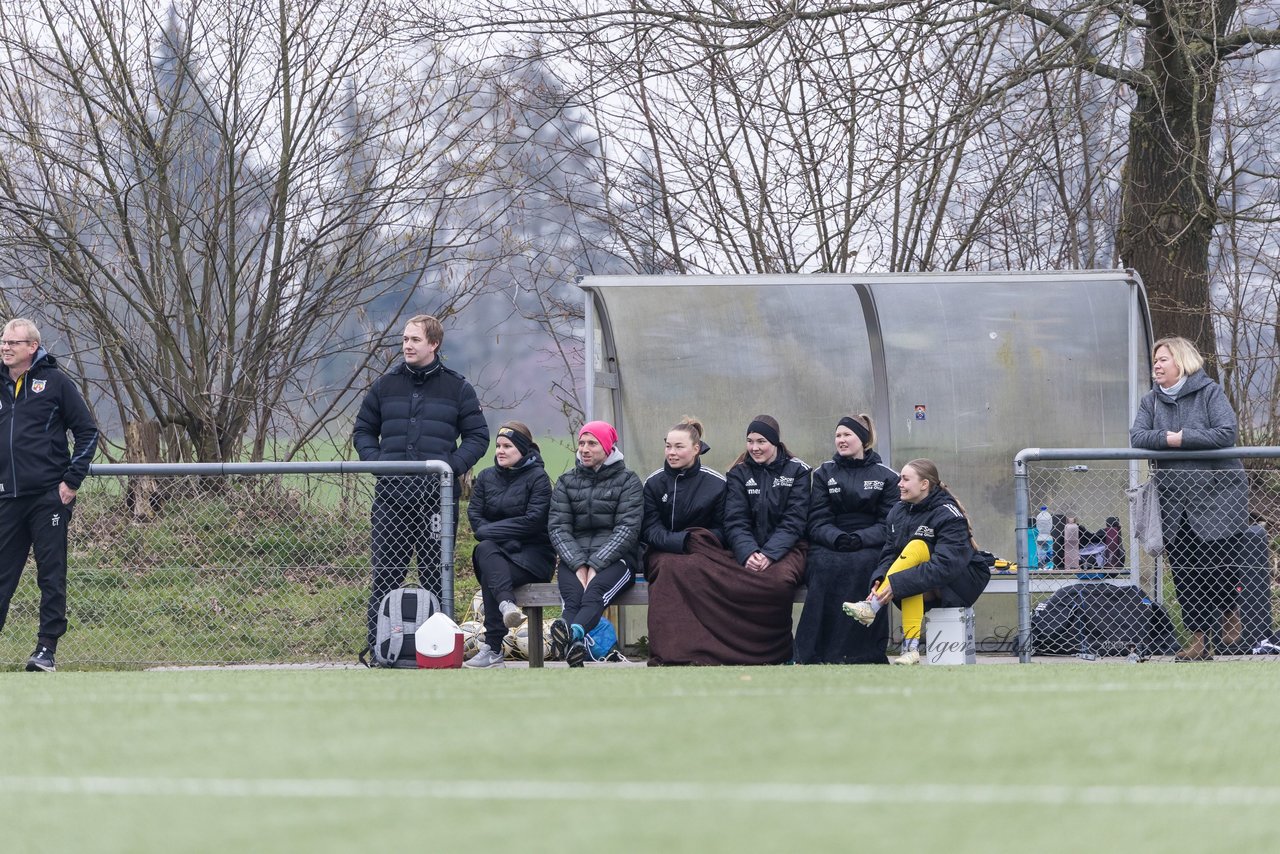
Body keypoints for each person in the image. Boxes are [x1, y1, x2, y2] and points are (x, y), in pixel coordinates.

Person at [353, 314, 489, 657]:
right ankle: (379, 648)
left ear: (434, 344)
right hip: (391, 500)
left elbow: (478, 436)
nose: (407, 345)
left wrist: (449, 469)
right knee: (385, 575)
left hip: (436, 503)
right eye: (404, 339)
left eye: (415, 339)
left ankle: (440, 652)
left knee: (437, 578)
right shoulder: (384, 386)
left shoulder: (458, 388)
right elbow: (363, 431)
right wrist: (379, 464)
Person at [1129, 335, 1249, 661]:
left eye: (1163, 359)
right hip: (1174, 501)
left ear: (1181, 361)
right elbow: (1138, 436)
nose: (1157, 365)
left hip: (1218, 496)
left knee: (1217, 563)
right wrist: (1168, 438)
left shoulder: (1209, 392)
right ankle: (1198, 642)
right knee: (1184, 571)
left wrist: (1182, 439)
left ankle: (1228, 609)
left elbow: (1226, 432)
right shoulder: (1150, 401)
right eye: (1155, 360)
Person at [0, 319, 99, 672]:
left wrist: (71, 481)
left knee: (51, 575)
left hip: (47, 498)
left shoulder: (55, 383)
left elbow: (87, 432)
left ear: (32, 347)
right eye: (3, 341)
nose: (5, 347)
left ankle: (46, 650)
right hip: (6, 498)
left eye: (13, 342)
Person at [844, 459, 988, 665]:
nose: (899, 484)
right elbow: (889, 554)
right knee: (910, 576)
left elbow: (946, 565)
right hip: (928, 579)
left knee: (917, 548)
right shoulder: (897, 512)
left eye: (905, 479)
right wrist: (880, 580)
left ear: (924, 485)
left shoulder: (948, 514)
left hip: (961, 582)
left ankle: (871, 607)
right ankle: (910, 649)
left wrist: (896, 583)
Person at [795, 414, 899, 665]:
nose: (840, 440)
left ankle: (862, 653)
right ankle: (814, 652)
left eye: (847, 435)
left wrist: (860, 538)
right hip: (831, 542)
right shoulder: (823, 473)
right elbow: (816, 520)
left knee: (866, 566)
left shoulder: (887, 476)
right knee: (824, 566)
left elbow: (890, 523)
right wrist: (838, 538)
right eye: (837, 435)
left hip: (871, 544)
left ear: (863, 440)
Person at [639, 417, 737, 665]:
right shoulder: (653, 483)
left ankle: (704, 650)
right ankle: (669, 652)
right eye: (668, 446)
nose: (672, 452)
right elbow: (649, 530)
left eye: (679, 446)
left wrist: (699, 542)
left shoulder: (717, 483)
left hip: (705, 554)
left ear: (696, 448)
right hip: (662, 553)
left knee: (697, 570)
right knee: (670, 568)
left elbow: (725, 529)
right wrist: (680, 541)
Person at [547, 421, 643, 667]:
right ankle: (575, 642)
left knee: (594, 592)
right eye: (581, 443)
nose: (584, 449)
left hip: (617, 560)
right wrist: (578, 563)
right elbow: (558, 528)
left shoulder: (628, 481)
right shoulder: (566, 481)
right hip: (574, 557)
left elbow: (628, 529)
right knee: (573, 597)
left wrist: (596, 565)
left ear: (608, 447)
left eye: (592, 443)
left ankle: (572, 633)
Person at [718, 415, 810, 665]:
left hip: (789, 549)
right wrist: (748, 553)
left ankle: (781, 651)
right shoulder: (738, 473)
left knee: (778, 581)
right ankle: (744, 651)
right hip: (748, 550)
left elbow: (795, 521)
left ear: (776, 443)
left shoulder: (798, 471)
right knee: (737, 582)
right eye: (750, 441)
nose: (755, 447)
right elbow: (735, 520)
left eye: (761, 441)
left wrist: (769, 554)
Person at [464, 421, 555, 668]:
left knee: (491, 563)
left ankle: (493, 650)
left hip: (533, 557)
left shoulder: (538, 479)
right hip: (498, 555)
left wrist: (493, 533)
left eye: (508, 446)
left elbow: (534, 522)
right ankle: (506, 605)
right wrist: (501, 535)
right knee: (486, 552)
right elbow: (476, 518)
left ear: (523, 450)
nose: (500, 451)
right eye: (498, 446)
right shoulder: (485, 477)